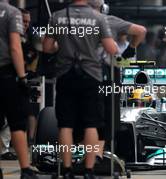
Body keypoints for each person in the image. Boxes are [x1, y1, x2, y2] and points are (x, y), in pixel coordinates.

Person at [42, 0, 117, 178]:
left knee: (65, 125)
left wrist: (61, 48)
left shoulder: (57, 17)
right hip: (91, 75)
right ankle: (89, 169)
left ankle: (67, 170)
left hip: (65, 75)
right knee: (91, 125)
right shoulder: (98, 18)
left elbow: (47, 47)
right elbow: (111, 48)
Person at [87, 0, 146, 163]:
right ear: (103, 7)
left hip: (74, 74)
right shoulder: (107, 20)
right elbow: (141, 31)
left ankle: (80, 158)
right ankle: (96, 155)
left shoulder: (66, 19)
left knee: (80, 117)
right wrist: (131, 49)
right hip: (104, 74)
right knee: (104, 117)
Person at [0, 0, 38, 179]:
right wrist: (23, 78)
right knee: (17, 123)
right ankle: (26, 170)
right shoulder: (10, 12)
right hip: (6, 73)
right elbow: (15, 48)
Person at [19, 8, 39, 145]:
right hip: (9, 75)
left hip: (28, 76)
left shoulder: (32, 35)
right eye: (23, 21)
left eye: (28, 22)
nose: (26, 24)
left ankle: (30, 140)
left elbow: (35, 53)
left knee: (31, 110)